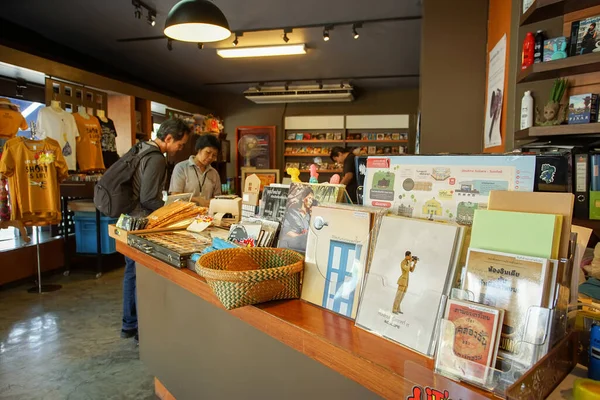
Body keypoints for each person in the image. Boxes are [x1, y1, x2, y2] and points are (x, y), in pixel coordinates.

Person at [121, 118, 191, 341]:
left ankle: (130, 324)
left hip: (127, 220)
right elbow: (149, 198)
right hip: (142, 223)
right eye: (179, 145)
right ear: (168, 138)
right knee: (144, 275)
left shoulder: (140, 148)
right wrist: (173, 209)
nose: (180, 150)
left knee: (132, 273)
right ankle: (144, 330)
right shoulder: (156, 159)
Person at [169, 134, 222, 207]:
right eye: (208, 152)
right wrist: (197, 200)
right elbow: (175, 196)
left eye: (214, 155)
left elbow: (217, 197)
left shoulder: (214, 173)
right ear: (199, 150)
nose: (210, 157)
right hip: (185, 214)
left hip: (206, 216)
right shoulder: (181, 168)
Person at [279, 185, 315, 251]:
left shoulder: (309, 216)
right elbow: (286, 230)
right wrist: (300, 236)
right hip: (289, 247)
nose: (311, 201)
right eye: (309, 198)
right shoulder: (292, 212)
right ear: (303, 198)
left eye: (312, 199)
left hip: (303, 248)